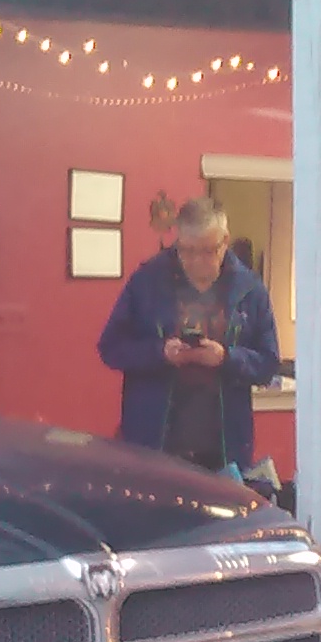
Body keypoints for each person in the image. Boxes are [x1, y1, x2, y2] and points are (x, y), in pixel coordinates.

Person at [97, 196, 281, 475]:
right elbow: (111, 347)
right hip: (154, 446)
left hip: (224, 451)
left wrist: (226, 358)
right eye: (186, 250)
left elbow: (268, 363)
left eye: (207, 251)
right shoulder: (147, 281)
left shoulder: (249, 290)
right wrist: (159, 353)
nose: (196, 261)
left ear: (225, 241)